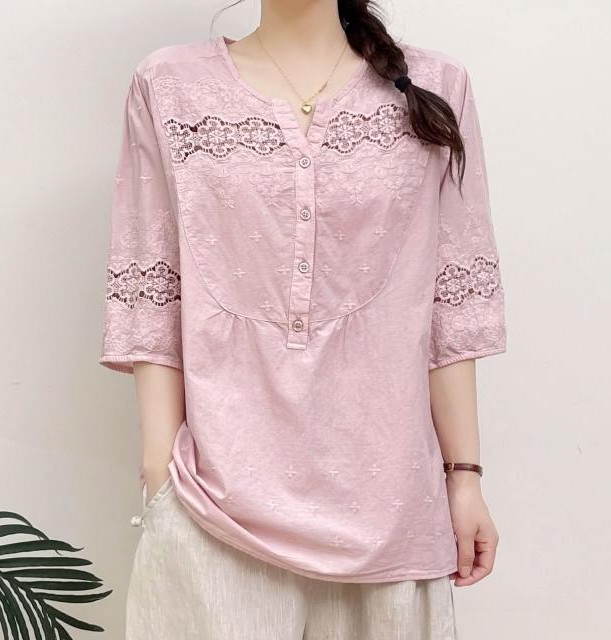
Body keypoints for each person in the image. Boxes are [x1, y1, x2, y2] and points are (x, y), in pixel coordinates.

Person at [98, 1, 507, 638]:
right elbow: (153, 286)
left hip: (390, 513)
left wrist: (465, 478)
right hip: (211, 513)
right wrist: (161, 480)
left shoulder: (437, 86)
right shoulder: (169, 85)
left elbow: (452, 301)